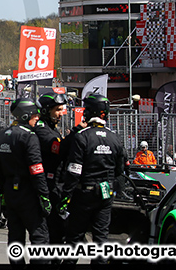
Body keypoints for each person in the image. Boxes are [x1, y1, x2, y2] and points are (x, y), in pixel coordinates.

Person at [59, 93, 124, 266]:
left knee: (74, 239)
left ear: (90, 112)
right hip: (105, 194)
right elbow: (121, 169)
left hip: (83, 195)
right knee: (101, 239)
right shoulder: (114, 138)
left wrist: (65, 196)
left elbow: (74, 171)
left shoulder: (82, 136)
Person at [0, 98, 52, 266]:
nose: (37, 119)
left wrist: (4, 192)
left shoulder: (2, 134)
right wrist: (44, 196)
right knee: (40, 237)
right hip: (28, 192)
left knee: (15, 238)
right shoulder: (29, 136)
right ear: (26, 116)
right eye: (35, 116)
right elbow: (36, 169)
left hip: (10, 192)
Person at [35, 91, 72, 251]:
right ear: (45, 110)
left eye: (61, 110)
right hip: (47, 187)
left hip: (57, 184)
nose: (60, 114)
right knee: (49, 233)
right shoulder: (41, 129)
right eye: (57, 110)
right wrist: (78, 133)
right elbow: (58, 149)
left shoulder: (53, 129)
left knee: (60, 232)